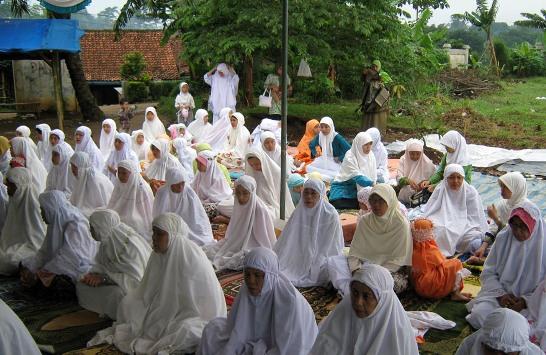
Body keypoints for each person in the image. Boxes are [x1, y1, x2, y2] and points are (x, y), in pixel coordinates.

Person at [88, 213, 227, 354]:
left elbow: (197, 304)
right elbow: (149, 288)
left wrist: (164, 311)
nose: (153, 238)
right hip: (164, 304)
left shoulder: (190, 257)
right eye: (154, 233)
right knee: (128, 304)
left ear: (172, 235)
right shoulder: (158, 254)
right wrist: (154, 307)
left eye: (159, 234)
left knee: (185, 330)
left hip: (190, 311)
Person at [198, 247, 318, 355]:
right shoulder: (246, 290)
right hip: (256, 339)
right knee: (211, 330)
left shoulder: (288, 301)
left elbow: (289, 345)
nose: (251, 281)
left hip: (287, 344)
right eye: (247, 274)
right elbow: (238, 328)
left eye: (257, 275)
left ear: (269, 276)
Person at [466, 201, 546, 329]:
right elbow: (488, 272)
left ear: (534, 225)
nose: (518, 231)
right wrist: (501, 295)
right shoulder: (504, 238)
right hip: (499, 298)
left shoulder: (543, 243)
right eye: (514, 226)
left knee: (531, 328)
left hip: (532, 303)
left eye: (523, 227)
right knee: (479, 315)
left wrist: (526, 301)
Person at [309, 264, 419, 355]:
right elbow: (325, 347)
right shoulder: (343, 313)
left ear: (382, 300)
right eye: (355, 293)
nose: (358, 302)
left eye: (366, 296)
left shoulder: (397, 333)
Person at [328, 184, 412, 296]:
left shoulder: (400, 224)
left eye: (381, 200)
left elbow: (399, 260)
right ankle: (355, 291)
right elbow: (354, 251)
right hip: (364, 265)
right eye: (372, 200)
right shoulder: (365, 221)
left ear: (389, 201)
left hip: (388, 270)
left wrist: (372, 273)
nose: (376, 205)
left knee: (391, 283)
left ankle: (352, 291)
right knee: (334, 262)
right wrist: (356, 270)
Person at [77, 209, 151, 320]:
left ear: (102, 228)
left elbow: (136, 281)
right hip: (113, 282)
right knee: (81, 285)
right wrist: (92, 275)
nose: (90, 231)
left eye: (92, 227)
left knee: (117, 295)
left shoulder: (131, 247)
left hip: (132, 290)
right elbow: (101, 265)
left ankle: (119, 314)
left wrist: (105, 279)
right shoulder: (107, 241)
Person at [20, 190, 98, 288]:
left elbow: (70, 257)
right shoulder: (56, 222)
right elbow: (44, 252)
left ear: (51, 209)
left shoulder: (76, 224)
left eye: (43, 210)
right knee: (24, 266)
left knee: (58, 282)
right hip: (60, 263)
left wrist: (41, 272)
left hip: (78, 265)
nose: (41, 214)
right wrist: (31, 268)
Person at [275, 178, 344, 287]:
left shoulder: (330, 214)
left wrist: (314, 258)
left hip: (321, 255)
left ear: (320, 194)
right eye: (306, 193)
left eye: (313, 193)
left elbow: (332, 245)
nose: (309, 197)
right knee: (279, 262)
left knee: (328, 269)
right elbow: (288, 239)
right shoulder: (299, 211)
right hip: (297, 255)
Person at [204, 176, 276, 270]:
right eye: (238, 193)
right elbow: (237, 227)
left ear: (252, 193)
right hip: (237, 240)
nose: (241, 197)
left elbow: (264, 239)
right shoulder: (238, 204)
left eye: (245, 193)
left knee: (245, 256)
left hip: (254, 243)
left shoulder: (260, 210)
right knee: (217, 250)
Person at [423, 164, 488, 256]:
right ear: (446, 178)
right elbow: (432, 209)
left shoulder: (470, 192)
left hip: (465, 225)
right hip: (442, 219)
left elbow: (474, 217)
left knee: (475, 239)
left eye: (459, 177)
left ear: (463, 178)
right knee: (440, 229)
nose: (455, 181)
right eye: (451, 177)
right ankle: (438, 254)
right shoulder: (440, 188)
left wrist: (458, 225)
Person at [469, 171, 528, 265]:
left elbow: (515, 234)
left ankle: (485, 261)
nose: (502, 190)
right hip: (501, 240)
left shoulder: (524, 209)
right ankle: (489, 258)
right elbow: (493, 228)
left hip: (516, 244)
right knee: (475, 244)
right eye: (501, 186)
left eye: (505, 187)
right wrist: (483, 247)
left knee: (511, 253)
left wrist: (496, 218)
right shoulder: (503, 204)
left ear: (516, 188)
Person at [411, 218, 472, 301]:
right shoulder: (430, 249)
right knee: (456, 263)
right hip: (429, 286)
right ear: (428, 233)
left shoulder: (413, 249)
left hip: (419, 287)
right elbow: (441, 263)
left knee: (447, 266)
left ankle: (451, 290)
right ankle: (455, 293)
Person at [0, 168, 46, 275]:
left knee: (9, 261)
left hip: (30, 246)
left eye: (11, 186)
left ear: (20, 186)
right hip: (11, 243)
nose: (8, 189)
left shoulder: (33, 204)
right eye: (7, 186)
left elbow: (38, 239)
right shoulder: (14, 199)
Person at [153, 168, 214, 246]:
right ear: (170, 184)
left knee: (203, 240)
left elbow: (198, 215)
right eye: (177, 184)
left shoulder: (188, 192)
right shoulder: (162, 193)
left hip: (190, 225)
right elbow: (158, 215)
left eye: (182, 183)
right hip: (169, 226)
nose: (181, 187)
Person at [456, 308, 542, 355]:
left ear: (519, 350)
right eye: (492, 350)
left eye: (505, 353)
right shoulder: (469, 345)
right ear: (483, 343)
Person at [108, 160, 154, 242]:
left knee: (132, 224)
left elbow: (146, 214)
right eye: (119, 173)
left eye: (124, 173)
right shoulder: (119, 184)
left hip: (138, 219)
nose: (121, 176)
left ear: (132, 173)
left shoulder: (142, 188)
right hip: (119, 214)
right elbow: (113, 204)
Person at [329, 132, 376, 209]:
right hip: (344, 188)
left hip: (355, 190)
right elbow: (357, 176)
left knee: (367, 201)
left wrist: (374, 187)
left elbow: (373, 175)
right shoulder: (350, 156)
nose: (368, 147)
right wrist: (373, 184)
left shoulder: (371, 155)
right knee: (338, 203)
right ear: (359, 144)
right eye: (365, 144)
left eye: (370, 144)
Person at [245, 147, 295, 220]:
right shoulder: (252, 172)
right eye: (252, 165)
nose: (255, 167)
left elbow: (279, 197)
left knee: (266, 216)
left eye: (257, 164)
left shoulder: (276, 172)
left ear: (263, 160)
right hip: (255, 202)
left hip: (272, 205)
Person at [70, 152, 114, 218]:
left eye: (75, 167)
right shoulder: (82, 175)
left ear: (81, 167)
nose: (72, 169)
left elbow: (101, 205)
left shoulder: (94, 180)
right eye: (72, 166)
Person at [307, 116, 351, 182]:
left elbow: (350, 150)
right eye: (321, 127)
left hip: (336, 161)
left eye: (326, 127)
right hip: (324, 158)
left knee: (339, 175)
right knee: (309, 168)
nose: (323, 129)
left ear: (331, 126)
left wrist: (340, 158)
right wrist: (315, 153)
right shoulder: (320, 135)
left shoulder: (337, 137)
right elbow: (311, 144)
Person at [192, 150, 233, 219]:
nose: (198, 166)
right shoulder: (199, 175)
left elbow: (220, 197)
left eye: (201, 163)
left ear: (209, 164)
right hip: (202, 203)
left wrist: (203, 203)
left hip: (216, 203)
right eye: (197, 163)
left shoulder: (217, 177)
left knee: (218, 207)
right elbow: (193, 189)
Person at [396, 139, 436, 204]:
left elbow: (434, 179)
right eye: (412, 154)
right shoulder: (403, 160)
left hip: (422, 195)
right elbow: (399, 178)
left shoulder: (427, 163)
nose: (415, 156)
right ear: (407, 152)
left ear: (422, 153)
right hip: (405, 195)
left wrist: (423, 183)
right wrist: (407, 181)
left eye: (418, 154)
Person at [360, 60, 391, 134]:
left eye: (376, 66)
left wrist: (381, 85)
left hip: (379, 102)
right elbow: (365, 81)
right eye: (373, 66)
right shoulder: (369, 74)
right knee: (368, 119)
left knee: (377, 119)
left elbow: (387, 87)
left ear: (379, 67)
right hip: (369, 100)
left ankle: (378, 133)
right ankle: (366, 132)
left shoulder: (383, 75)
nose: (374, 67)